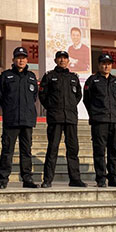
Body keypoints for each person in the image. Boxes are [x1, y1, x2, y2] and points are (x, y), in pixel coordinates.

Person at [39, 50, 87, 188]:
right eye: (59, 58)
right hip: (55, 118)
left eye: (65, 58)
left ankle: (75, 179)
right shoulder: (49, 76)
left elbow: (78, 95)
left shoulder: (73, 77)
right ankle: (47, 180)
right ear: (55, 60)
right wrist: (52, 107)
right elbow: (42, 95)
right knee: (52, 148)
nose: (62, 60)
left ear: (68, 61)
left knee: (73, 149)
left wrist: (70, 106)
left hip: (70, 118)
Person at [0, 46, 39, 189]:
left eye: (23, 58)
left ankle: (27, 178)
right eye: (18, 58)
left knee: (26, 151)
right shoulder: (6, 76)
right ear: (13, 60)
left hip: (27, 120)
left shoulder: (31, 76)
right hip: (11, 119)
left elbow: (34, 96)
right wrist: (9, 108)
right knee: (7, 150)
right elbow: (0, 95)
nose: (21, 60)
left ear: (27, 60)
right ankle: (3, 179)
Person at [83, 53, 116, 187]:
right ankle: (101, 178)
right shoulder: (92, 80)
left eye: (108, 64)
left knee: (114, 150)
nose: (106, 66)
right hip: (100, 120)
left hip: (115, 121)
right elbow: (87, 100)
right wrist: (95, 114)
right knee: (100, 151)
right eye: (103, 64)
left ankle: (113, 178)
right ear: (99, 65)